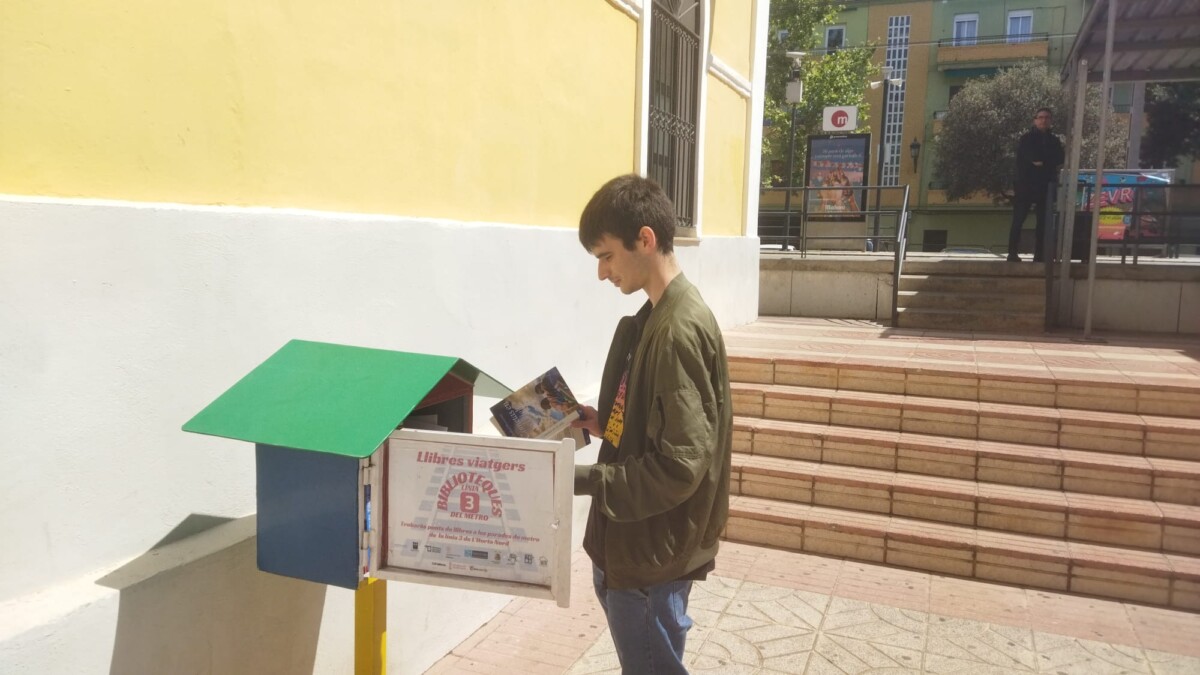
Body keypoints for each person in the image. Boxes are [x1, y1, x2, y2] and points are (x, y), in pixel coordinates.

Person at [571, 174, 732, 674]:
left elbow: (679, 465)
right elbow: (660, 425)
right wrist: (605, 424)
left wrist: (580, 480)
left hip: (650, 550)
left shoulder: (677, 329)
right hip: (639, 545)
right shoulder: (658, 316)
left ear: (645, 239)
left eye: (606, 255)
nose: (601, 273)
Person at [1007, 107, 1065, 262]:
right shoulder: (1027, 138)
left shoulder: (1054, 140)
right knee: (1019, 219)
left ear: (1050, 120)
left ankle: (1039, 254)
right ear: (1035, 120)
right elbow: (1035, 158)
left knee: (1043, 223)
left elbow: (1060, 159)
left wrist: (1043, 162)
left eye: (1046, 117)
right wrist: (1046, 161)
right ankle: (1012, 252)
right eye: (1040, 117)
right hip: (1025, 185)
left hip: (1046, 185)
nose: (1043, 120)